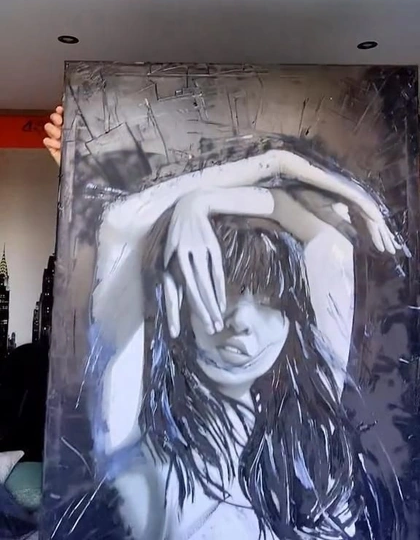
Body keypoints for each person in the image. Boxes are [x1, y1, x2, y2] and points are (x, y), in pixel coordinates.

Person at [88, 145, 399, 540]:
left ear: (292, 324)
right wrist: (270, 167)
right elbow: (121, 222)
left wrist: (204, 202)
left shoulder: (309, 434)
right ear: (180, 301)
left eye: (270, 301)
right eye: (225, 289)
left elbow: (331, 245)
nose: (242, 323)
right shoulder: (132, 434)